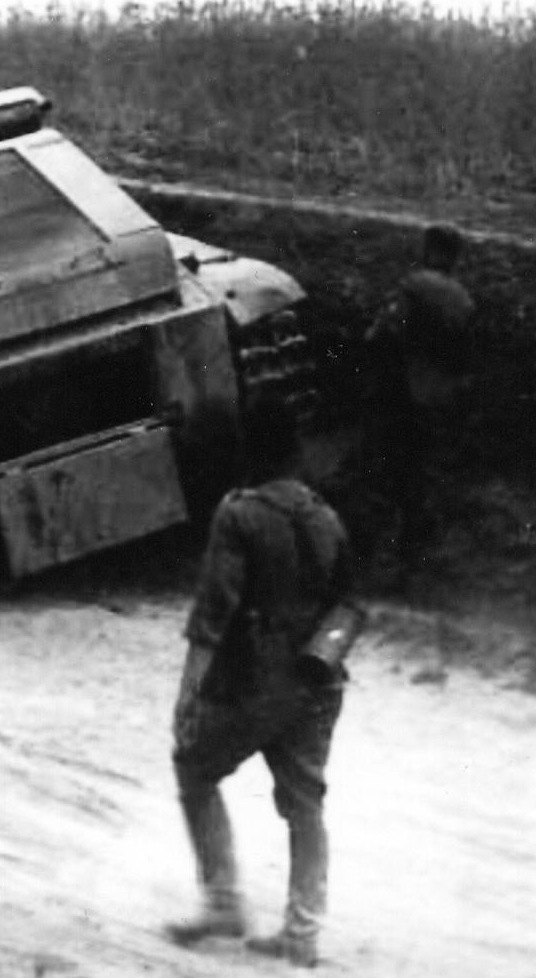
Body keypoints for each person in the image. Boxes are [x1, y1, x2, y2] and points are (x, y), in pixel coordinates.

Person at [168, 394, 354, 969]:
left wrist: (189, 695)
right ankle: (302, 934)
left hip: (254, 682)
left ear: (250, 453)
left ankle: (224, 903)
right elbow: (347, 604)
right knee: (305, 805)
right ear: (296, 454)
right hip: (318, 681)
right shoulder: (326, 517)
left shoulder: (238, 514)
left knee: (194, 768)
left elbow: (213, 615)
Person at [361, 223, 476, 577]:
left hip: (401, 395)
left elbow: (382, 333)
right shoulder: (464, 300)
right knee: (421, 476)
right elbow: (465, 359)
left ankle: (383, 555)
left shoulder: (413, 286)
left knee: (386, 473)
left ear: (428, 250)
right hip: (437, 399)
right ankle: (416, 552)